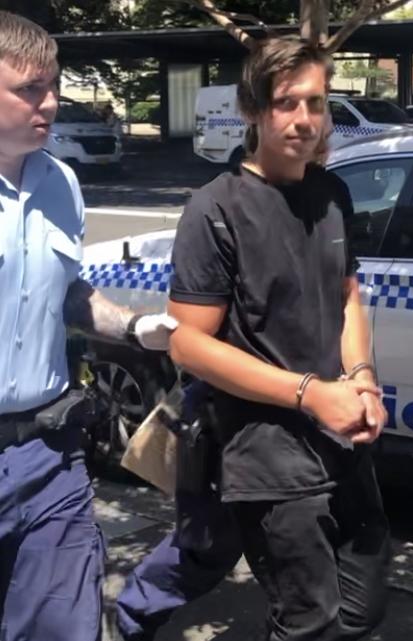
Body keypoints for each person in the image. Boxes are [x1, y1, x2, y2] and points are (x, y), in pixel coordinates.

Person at [167, 37, 390, 641]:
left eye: (316, 103)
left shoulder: (332, 194)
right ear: (253, 109)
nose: (304, 120)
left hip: (343, 440)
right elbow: (188, 344)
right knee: (310, 622)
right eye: (286, 102)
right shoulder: (215, 210)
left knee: (361, 610)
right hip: (265, 452)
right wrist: (311, 394)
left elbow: (346, 296)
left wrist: (362, 378)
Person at [114, 116, 339, 641]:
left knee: (289, 564)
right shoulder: (222, 208)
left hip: (299, 425)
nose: (313, 127)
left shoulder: (325, 202)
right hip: (228, 421)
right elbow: (193, 341)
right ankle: (127, 617)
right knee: (206, 544)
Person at [0, 12, 176, 641]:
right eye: (28, 90)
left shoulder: (63, 184)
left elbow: (67, 293)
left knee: (66, 627)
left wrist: (135, 327)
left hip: (49, 453)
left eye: (53, 86)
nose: (49, 103)